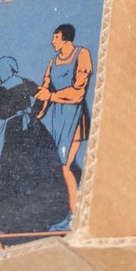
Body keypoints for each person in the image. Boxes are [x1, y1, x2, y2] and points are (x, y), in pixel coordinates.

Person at [0, 56, 69, 234]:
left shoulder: (1, 90)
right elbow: (42, 95)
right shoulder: (25, 82)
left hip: (12, 131)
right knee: (40, 168)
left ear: (3, 71)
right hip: (33, 128)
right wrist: (36, 113)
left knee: (5, 171)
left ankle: (12, 220)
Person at [35, 23, 93, 215]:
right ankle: (84, 203)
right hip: (58, 118)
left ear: (66, 39)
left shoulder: (81, 54)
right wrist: (38, 113)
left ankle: (74, 213)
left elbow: (78, 93)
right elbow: (46, 88)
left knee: (65, 165)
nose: (52, 42)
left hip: (75, 116)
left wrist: (51, 96)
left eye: (56, 38)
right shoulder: (53, 61)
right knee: (68, 165)